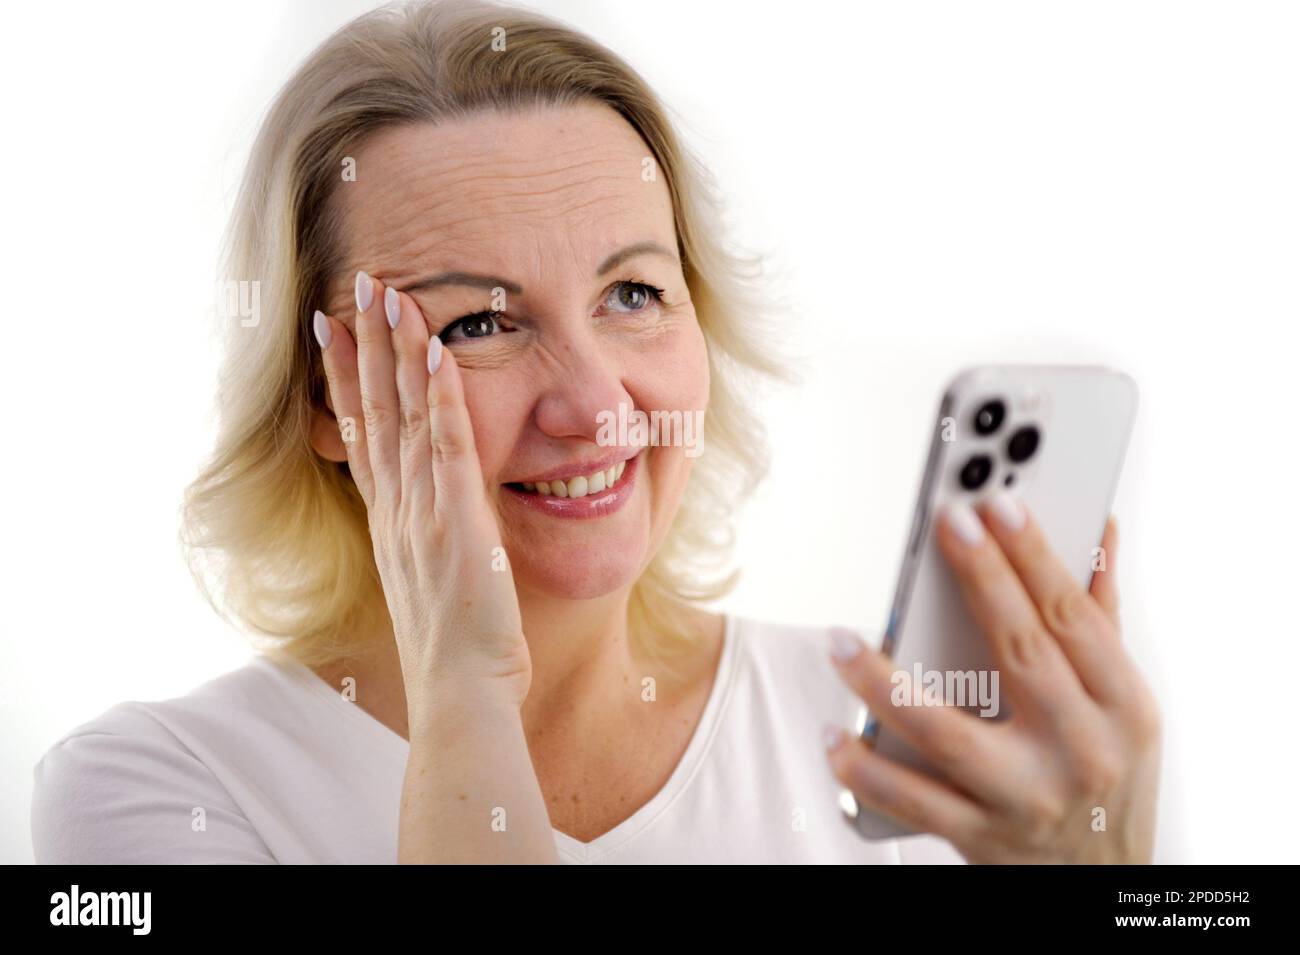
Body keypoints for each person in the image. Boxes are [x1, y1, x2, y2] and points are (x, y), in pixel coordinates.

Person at [31, 0, 1161, 864]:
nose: (598, 408)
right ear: (330, 401)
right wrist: (466, 688)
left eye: (632, 295)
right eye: (478, 321)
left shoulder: (892, 747)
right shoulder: (152, 790)